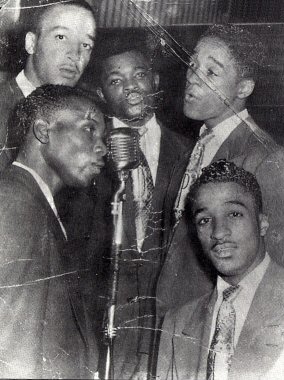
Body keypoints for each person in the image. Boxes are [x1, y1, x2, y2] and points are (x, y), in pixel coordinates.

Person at [156, 24, 284, 319]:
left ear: (243, 88)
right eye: (192, 65)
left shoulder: (265, 157)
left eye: (211, 72)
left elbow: (274, 264)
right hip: (175, 316)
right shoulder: (193, 148)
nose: (192, 79)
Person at [93, 36, 190, 379]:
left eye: (139, 75)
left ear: (156, 81)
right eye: (115, 81)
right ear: (103, 93)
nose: (131, 88)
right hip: (103, 327)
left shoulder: (189, 152)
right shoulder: (86, 151)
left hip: (166, 324)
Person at [0, 84, 106, 378]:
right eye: (89, 129)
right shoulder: (14, 201)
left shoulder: (34, 202)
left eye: (103, 137)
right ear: (43, 131)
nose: (102, 148)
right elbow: (9, 344)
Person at [157, 159, 284, 380]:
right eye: (205, 220)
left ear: (263, 223)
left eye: (234, 214)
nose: (218, 232)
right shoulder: (176, 323)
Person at [0, 0, 97, 169]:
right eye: (61, 37)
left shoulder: (88, 116)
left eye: (86, 45)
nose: (75, 54)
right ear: (31, 43)